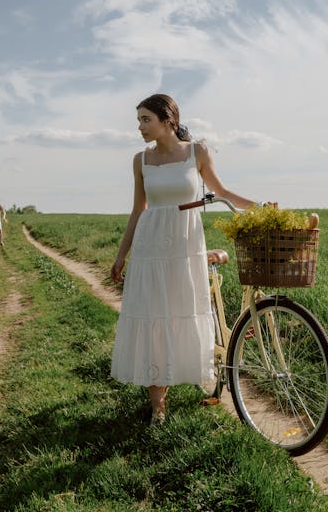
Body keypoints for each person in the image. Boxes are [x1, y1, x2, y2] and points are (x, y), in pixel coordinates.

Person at [110, 94, 262, 425]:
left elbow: (221, 192)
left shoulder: (197, 152)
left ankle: (194, 374)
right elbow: (139, 210)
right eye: (138, 120)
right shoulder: (141, 161)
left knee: (183, 313)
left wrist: (260, 207)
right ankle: (158, 405)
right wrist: (122, 255)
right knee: (153, 317)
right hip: (151, 249)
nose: (140, 127)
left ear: (169, 121)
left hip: (185, 245)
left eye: (145, 119)